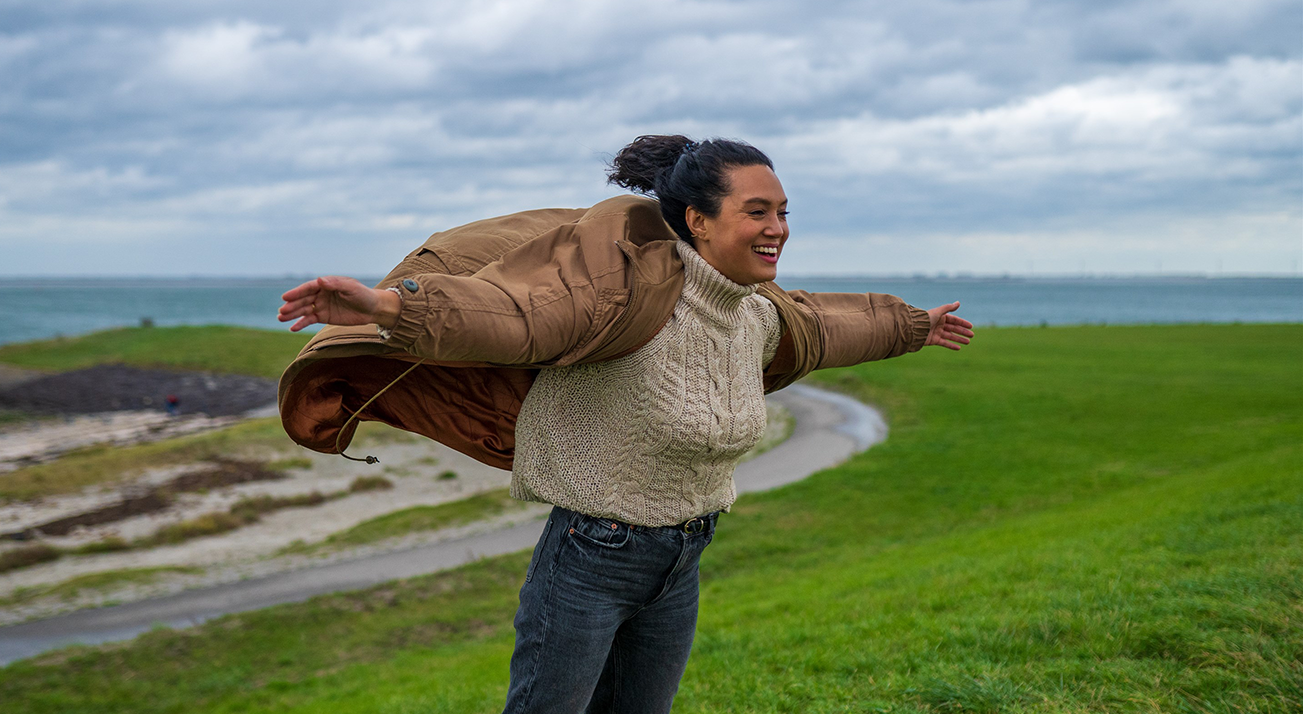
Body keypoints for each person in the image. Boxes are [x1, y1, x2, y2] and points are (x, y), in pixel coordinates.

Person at [277, 135, 973, 713]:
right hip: (591, 555)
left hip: (682, 557)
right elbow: (512, 315)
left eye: (784, 212)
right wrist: (392, 307)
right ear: (698, 219)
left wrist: (913, 325)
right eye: (757, 211)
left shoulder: (756, 313)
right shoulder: (617, 299)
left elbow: (827, 326)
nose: (778, 228)